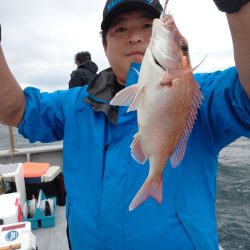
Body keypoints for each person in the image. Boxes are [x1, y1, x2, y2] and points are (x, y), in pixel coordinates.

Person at [0, 0, 250, 249]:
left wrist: (238, 6)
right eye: (120, 29)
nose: (135, 37)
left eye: (147, 25)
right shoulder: (75, 105)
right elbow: (12, 108)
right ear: (104, 46)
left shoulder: (198, 93)